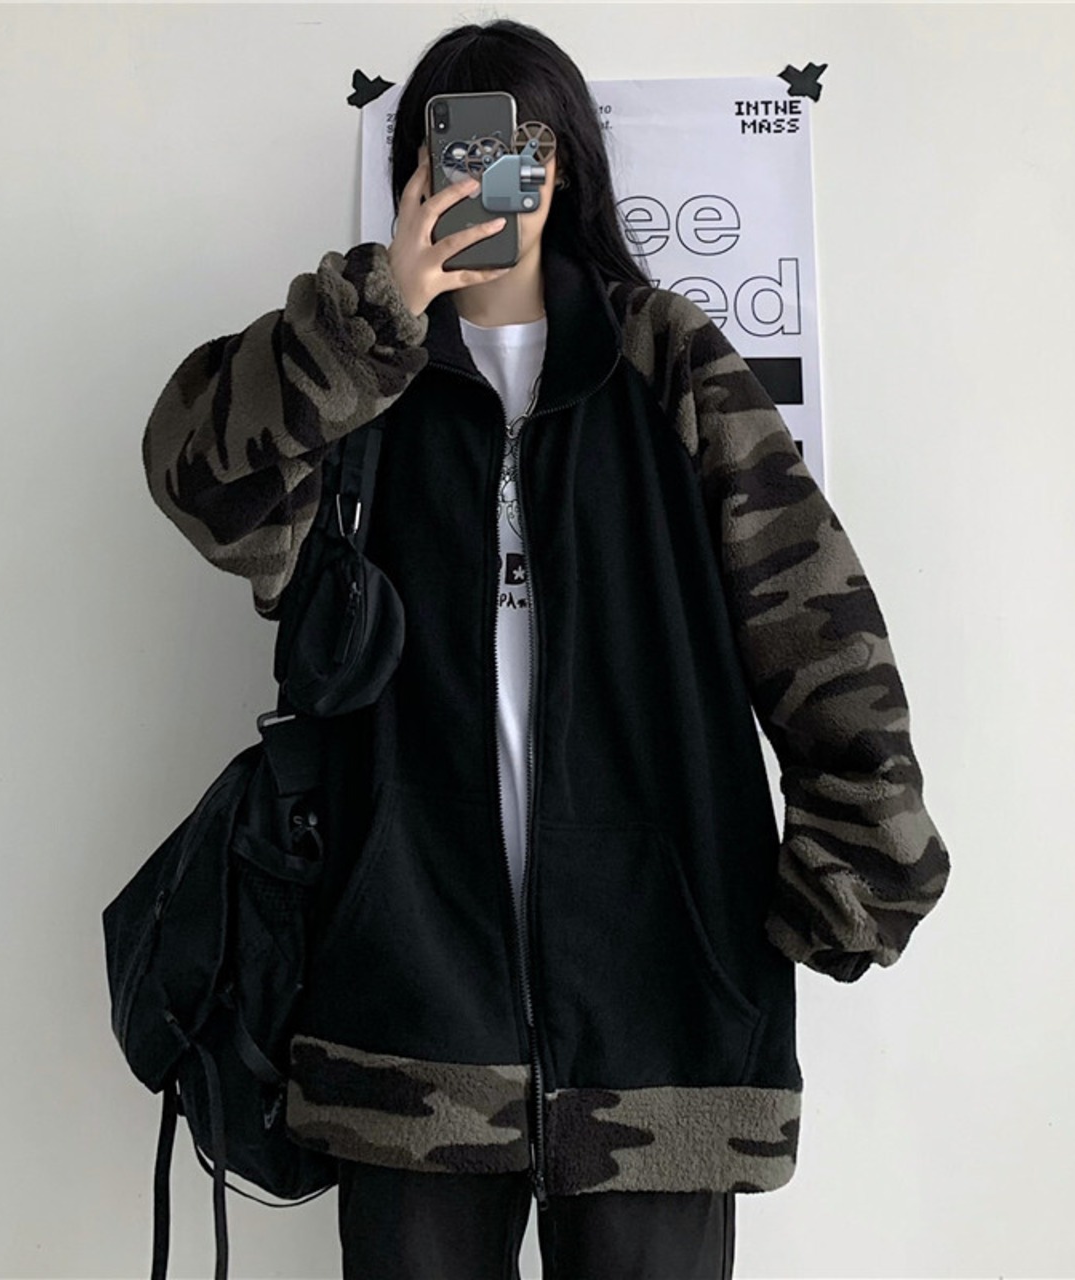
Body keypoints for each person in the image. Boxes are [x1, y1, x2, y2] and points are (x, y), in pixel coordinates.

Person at [141, 18, 950, 1279]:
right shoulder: (362, 385)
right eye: (455, 147)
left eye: (521, 144)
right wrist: (378, 310)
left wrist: (859, 861)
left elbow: (811, 610)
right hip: (405, 1009)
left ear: (563, 163)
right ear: (414, 168)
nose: (491, 174)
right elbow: (197, 480)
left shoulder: (663, 357)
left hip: (660, 1004)